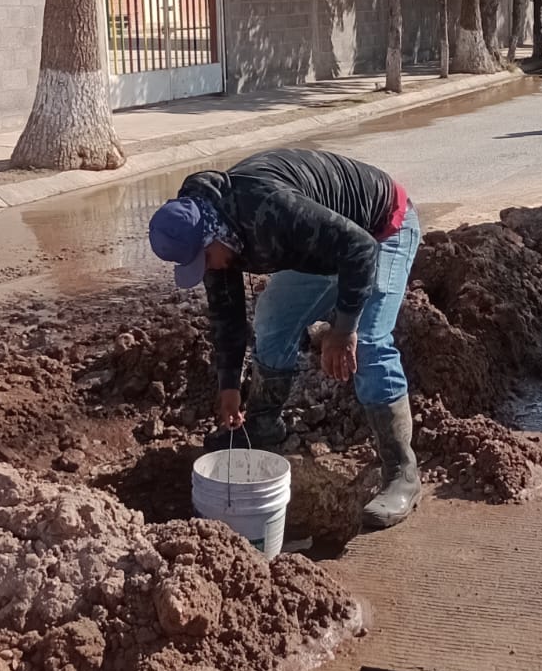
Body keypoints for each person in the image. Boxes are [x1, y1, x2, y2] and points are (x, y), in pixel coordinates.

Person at [148, 148, 421, 531]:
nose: (208, 269)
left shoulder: (269, 209)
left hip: (381, 228)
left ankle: (401, 472)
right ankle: (262, 425)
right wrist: (228, 386)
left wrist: (343, 331)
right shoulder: (212, 235)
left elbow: (358, 248)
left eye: (206, 260)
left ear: (214, 233)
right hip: (325, 245)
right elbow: (227, 316)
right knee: (273, 320)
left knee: (371, 343)